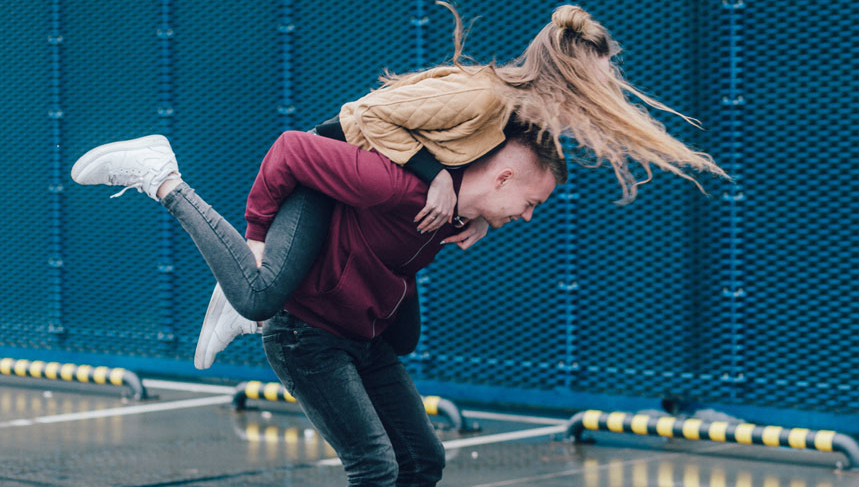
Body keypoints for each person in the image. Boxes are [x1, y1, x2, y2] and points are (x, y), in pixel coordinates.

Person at [185, 2, 729, 369]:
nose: (612, 85)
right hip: (330, 167)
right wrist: (434, 175)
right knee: (261, 293)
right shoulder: (486, 97)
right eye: (607, 73)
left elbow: (492, 179)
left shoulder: (523, 121)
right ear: (574, 73)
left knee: (397, 339)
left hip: (371, 189)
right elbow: (364, 115)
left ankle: (242, 296)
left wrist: (486, 216)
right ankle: (214, 255)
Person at [71, 126, 567, 486]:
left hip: (363, 337)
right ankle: (164, 181)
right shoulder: (394, 185)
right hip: (306, 335)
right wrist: (258, 242)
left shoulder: (454, 214)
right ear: (503, 178)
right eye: (531, 203)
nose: (526, 217)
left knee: (422, 459)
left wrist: (472, 218)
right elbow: (291, 147)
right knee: (375, 467)